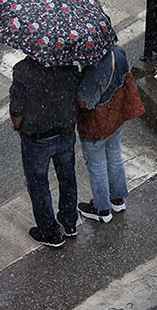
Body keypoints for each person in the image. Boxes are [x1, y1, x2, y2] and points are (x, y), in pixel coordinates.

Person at [10, 56, 81, 247]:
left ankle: (49, 232)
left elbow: (16, 109)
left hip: (37, 136)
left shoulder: (22, 70)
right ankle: (69, 222)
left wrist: (18, 127)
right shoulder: (68, 62)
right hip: (65, 130)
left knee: (38, 184)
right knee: (67, 176)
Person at [76, 45, 145, 223]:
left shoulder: (95, 66)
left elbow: (86, 101)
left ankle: (102, 210)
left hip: (97, 125)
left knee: (97, 165)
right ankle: (118, 200)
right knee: (114, 156)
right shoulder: (118, 52)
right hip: (116, 118)